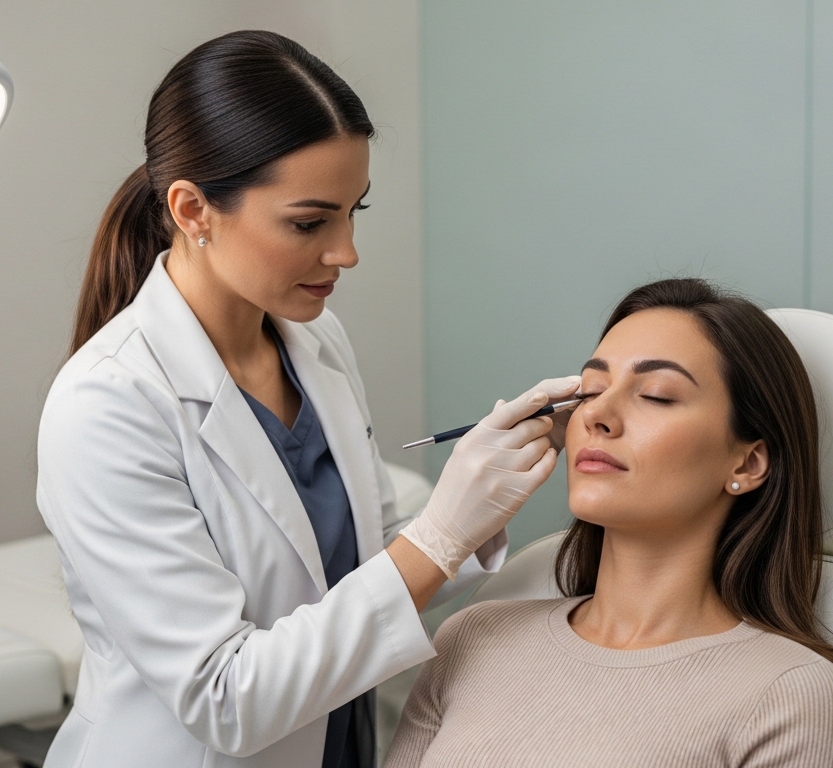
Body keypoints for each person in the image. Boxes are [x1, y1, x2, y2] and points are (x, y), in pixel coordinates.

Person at [35, 30, 579, 768]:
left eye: (355, 212)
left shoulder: (316, 345)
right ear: (193, 210)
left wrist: (481, 485)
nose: (345, 252)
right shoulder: (107, 406)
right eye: (309, 222)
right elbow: (224, 699)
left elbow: (363, 576)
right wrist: (441, 533)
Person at [387, 279, 833, 767]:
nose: (597, 413)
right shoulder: (472, 637)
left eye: (657, 395)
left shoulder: (792, 695)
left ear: (746, 465)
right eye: (592, 389)